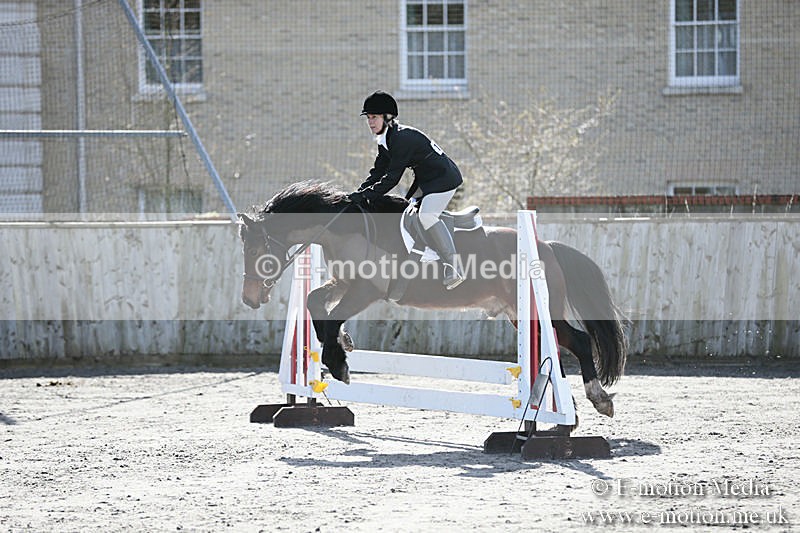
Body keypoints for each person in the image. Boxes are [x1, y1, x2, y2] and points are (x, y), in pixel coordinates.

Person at [348, 90, 465, 290]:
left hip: (444, 180)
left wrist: (365, 196)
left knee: (427, 216)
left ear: (388, 117)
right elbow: (378, 172)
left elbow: (392, 178)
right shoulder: (387, 139)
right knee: (408, 211)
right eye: (368, 118)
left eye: (374, 117)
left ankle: (454, 266)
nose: (370, 122)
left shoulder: (401, 139)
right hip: (427, 180)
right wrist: (357, 193)